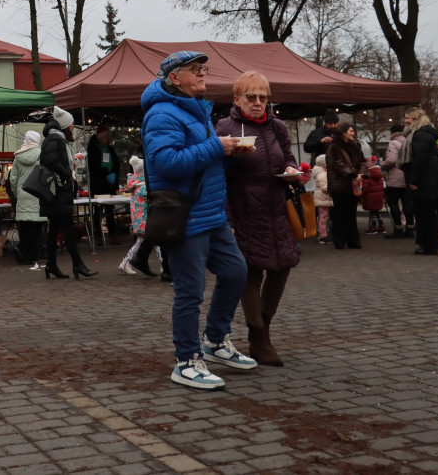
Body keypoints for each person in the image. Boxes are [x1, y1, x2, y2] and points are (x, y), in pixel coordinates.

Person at [141, 50, 256, 391]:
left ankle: (215, 341)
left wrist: (230, 154)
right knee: (190, 292)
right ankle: (186, 361)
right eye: (194, 69)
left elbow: (202, 162)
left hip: (212, 214)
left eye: (202, 68)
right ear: (174, 78)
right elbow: (166, 163)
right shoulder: (162, 113)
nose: (202, 73)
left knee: (236, 272)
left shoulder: (195, 110)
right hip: (186, 216)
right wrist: (217, 147)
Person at [215, 71, 300, 367]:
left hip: (276, 207)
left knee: (282, 266)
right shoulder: (226, 127)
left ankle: (262, 327)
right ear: (236, 99)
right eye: (251, 97)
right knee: (250, 271)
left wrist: (290, 170)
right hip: (243, 208)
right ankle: (259, 338)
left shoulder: (277, 126)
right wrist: (227, 217)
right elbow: (218, 173)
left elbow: (287, 157)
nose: (258, 102)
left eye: (263, 97)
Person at [40, 106, 97, 280]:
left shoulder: (56, 139)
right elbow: (49, 161)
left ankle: (51, 264)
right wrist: (67, 173)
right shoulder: (55, 139)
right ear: (65, 125)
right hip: (59, 190)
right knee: (67, 229)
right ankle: (77, 264)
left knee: (55, 229)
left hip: (58, 191)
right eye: (71, 124)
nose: (72, 127)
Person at [400, 108, 438, 255]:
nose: (405, 121)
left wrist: (413, 179)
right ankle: (429, 244)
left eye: (408, 118)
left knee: (424, 214)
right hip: (427, 179)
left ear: (416, 119)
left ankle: (428, 245)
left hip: (422, 181)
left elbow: (419, 159)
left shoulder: (420, 135)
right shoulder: (425, 134)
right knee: (427, 214)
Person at [117, 155, 161, 277]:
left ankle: (163, 264)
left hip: (140, 220)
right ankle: (126, 262)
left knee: (151, 241)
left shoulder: (135, 185)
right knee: (145, 241)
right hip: (144, 220)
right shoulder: (143, 187)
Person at [6, 131, 47, 265]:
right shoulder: (42, 155)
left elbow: (13, 179)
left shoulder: (18, 157)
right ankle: (36, 254)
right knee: (37, 227)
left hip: (23, 194)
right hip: (38, 194)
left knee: (24, 227)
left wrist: (17, 194)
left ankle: (26, 255)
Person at [325, 123, 367, 250]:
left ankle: (353, 240)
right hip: (339, 184)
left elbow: (363, 161)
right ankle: (340, 240)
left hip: (352, 184)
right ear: (343, 132)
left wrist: (360, 175)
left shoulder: (355, 146)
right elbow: (337, 164)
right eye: (350, 131)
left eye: (353, 131)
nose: (353, 133)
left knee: (351, 213)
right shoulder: (334, 147)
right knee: (339, 213)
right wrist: (353, 175)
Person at [86, 124, 122, 243]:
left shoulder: (110, 149)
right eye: (105, 135)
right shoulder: (93, 149)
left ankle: (112, 233)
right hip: (98, 184)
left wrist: (114, 173)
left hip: (110, 185)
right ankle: (98, 234)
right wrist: (105, 173)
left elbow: (116, 163)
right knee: (98, 210)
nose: (107, 138)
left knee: (110, 210)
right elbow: (93, 167)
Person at [381, 122, 414, 239]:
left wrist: (383, 164)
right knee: (407, 204)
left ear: (393, 132)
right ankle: (410, 229)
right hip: (407, 177)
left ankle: (398, 228)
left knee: (393, 203)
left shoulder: (393, 143)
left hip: (395, 178)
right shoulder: (409, 142)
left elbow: (391, 160)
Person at [312, 155, 334, 244]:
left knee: (323, 217)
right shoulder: (322, 174)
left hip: (322, 199)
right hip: (323, 199)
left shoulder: (320, 173)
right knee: (324, 218)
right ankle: (324, 236)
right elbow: (325, 187)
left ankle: (323, 235)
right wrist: (334, 187)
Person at [361, 163, 386, 234]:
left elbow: (364, 189)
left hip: (370, 199)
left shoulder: (367, 179)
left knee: (372, 214)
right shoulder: (380, 179)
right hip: (379, 198)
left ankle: (373, 228)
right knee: (378, 213)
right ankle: (382, 227)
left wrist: (362, 197)